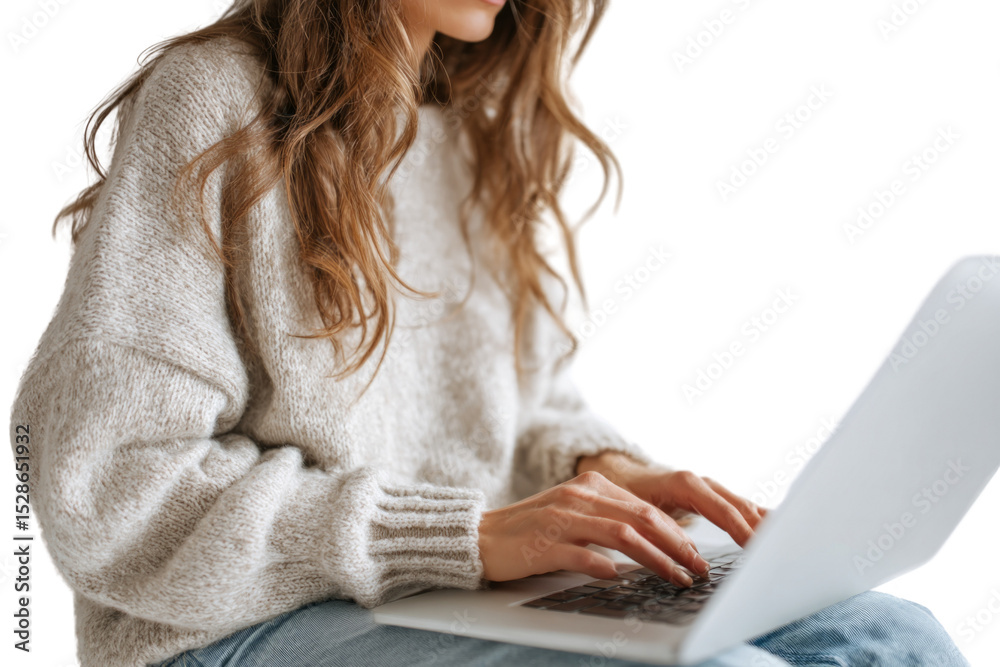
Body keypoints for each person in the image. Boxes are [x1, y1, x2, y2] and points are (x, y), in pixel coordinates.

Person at [9, 1, 969, 665]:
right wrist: (459, 535)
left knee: (899, 642)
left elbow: (519, 406)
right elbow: (115, 483)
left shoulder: (471, 127)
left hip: (444, 595)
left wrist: (595, 469)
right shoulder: (211, 101)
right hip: (227, 632)